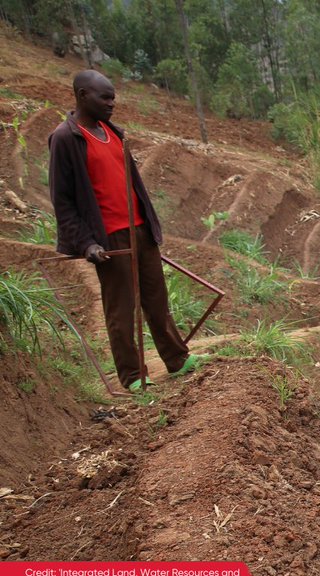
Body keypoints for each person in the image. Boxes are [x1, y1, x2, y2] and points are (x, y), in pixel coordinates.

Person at [48, 70, 201, 390]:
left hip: (140, 228)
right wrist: (86, 243)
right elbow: (62, 201)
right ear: (81, 96)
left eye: (113, 96)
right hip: (109, 237)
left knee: (156, 299)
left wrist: (147, 224)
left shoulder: (112, 132)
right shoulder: (66, 138)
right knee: (121, 308)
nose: (112, 103)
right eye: (105, 97)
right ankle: (132, 376)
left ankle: (176, 358)